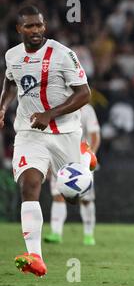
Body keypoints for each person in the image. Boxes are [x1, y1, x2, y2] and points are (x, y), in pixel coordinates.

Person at [0, 6, 90, 277]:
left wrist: (50, 113)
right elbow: (11, 84)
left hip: (65, 132)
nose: (36, 31)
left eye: (39, 25)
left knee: (72, 197)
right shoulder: (12, 55)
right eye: (29, 26)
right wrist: (2, 106)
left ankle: (85, 159)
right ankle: (35, 256)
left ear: (44, 25)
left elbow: (85, 93)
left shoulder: (63, 54)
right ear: (19, 30)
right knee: (30, 185)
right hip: (30, 133)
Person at [44, 103, 100, 245]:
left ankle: (89, 235)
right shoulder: (57, 106)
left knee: (86, 199)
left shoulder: (87, 109)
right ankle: (56, 233)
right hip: (61, 157)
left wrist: (90, 155)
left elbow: (95, 135)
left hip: (81, 158)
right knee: (58, 195)